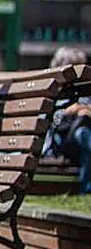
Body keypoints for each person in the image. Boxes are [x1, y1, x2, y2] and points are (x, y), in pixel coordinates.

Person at [45, 46, 90, 193]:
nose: (80, 76)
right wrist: (70, 112)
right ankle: (87, 189)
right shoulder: (53, 90)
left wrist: (86, 111)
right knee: (83, 135)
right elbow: (53, 120)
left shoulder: (85, 91)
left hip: (80, 140)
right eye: (76, 70)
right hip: (59, 141)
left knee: (84, 133)